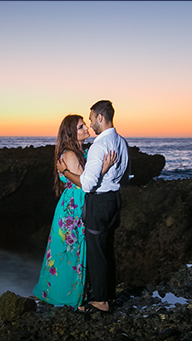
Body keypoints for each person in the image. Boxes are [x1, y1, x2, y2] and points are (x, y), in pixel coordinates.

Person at [32, 114, 117, 307]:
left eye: (85, 125)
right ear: (71, 133)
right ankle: (67, 296)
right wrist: (103, 169)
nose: (87, 128)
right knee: (70, 251)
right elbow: (84, 183)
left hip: (79, 203)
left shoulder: (82, 152)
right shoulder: (70, 154)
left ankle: (78, 291)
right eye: (81, 127)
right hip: (73, 207)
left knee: (76, 249)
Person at [67, 100, 130, 314]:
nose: (91, 123)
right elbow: (127, 174)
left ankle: (102, 300)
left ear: (101, 117)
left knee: (97, 252)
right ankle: (109, 295)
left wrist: (66, 173)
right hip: (114, 200)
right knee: (107, 249)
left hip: (99, 202)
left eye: (92, 118)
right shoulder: (121, 141)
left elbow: (86, 184)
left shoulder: (99, 146)